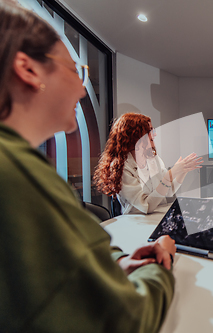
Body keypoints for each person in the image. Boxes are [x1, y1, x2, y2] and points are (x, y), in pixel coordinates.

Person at [0, 2, 177, 332]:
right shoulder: (16, 173)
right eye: (75, 71)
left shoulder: (20, 163)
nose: (83, 89)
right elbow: (127, 318)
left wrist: (120, 261)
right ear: (28, 69)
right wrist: (160, 265)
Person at [94, 113, 202, 214]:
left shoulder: (152, 158)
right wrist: (171, 174)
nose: (154, 134)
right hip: (136, 220)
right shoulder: (122, 167)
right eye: (149, 131)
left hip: (157, 215)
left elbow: (168, 191)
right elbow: (146, 206)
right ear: (135, 136)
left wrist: (183, 170)